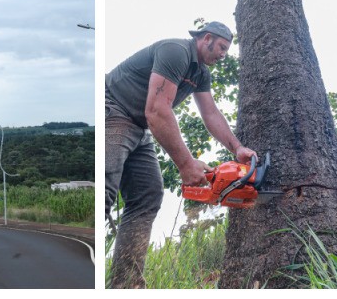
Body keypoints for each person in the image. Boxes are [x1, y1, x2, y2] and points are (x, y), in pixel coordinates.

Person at [104, 21, 257, 288]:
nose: (223, 55)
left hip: (139, 126)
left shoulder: (200, 73)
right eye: (221, 47)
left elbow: (210, 113)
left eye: (226, 50)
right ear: (206, 38)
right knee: (105, 186)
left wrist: (237, 148)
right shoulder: (176, 51)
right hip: (114, 110)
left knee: (147, 196)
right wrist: (186, 164)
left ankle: (126, 284)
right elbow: (157, 110)